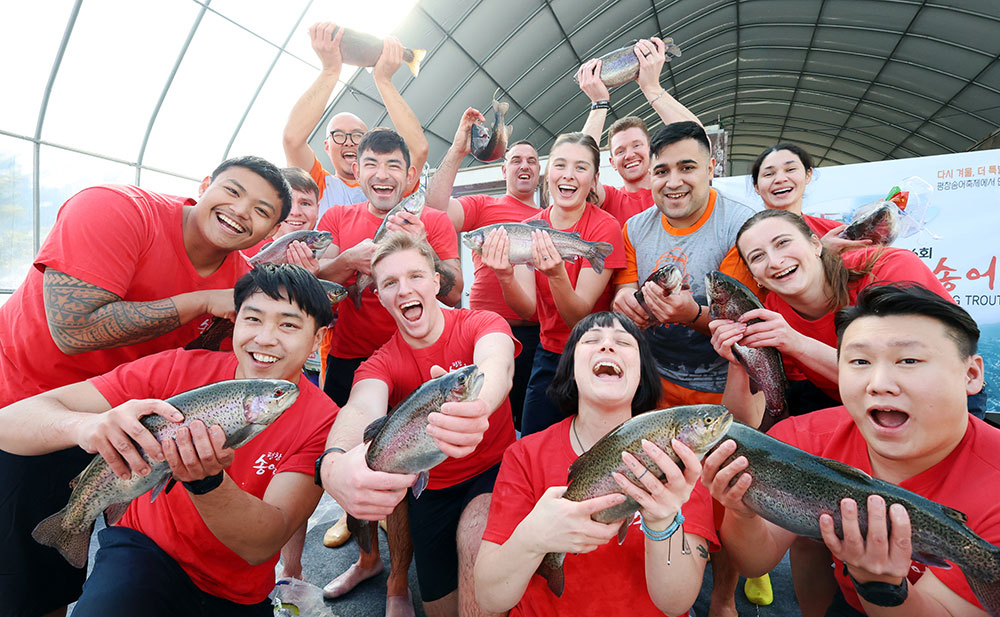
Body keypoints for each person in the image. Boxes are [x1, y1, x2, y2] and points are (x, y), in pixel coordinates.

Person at [0, 155, 291, 617]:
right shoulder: (113, 209)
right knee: (25, 583)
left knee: (73, 568)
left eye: (261, 211)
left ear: (272, 232)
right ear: (203, 184)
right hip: (33, 406)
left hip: (140, 426)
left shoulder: (243, 280)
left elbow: (208, 370)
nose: (240, 211)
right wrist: (200, 302)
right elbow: (72, 330)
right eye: (233, 192)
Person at [0, 264, 339, 617]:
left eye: (288, 324)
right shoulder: (175, 370)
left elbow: (263, 544)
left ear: (317, 338)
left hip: (238, 588)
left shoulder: (325, 421)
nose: (265, 338)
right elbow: (8, 422)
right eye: (253, 319)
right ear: (235, 322)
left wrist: (208, 482)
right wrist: (87, 427)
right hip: (140, 550)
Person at [703, 282, 999, 617]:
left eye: (909, 360)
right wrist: (744, 511)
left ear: (971, 374)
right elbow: (756, 562)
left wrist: (881, 585)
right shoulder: (802, 440)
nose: (879, 383)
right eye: (859, 361)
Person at [318, 232, 518, 617]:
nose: (404, 289)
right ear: (378, 295)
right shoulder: (380, 362)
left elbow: (497, 363)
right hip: (431, 489)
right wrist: (334, 464)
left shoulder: (481, 321)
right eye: (390, 282)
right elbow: (360, 409)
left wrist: (477, 407)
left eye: (415, 276)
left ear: (437, 281)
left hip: (492, 472)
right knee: (440, 606)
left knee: (475, 541)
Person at [607, 120, 758, 617]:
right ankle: (668, 585)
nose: (673, 181)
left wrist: (692, 315)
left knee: (727, 500)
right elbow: (624, 286)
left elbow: (740, 317)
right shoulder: (635, 227)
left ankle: (722, 598)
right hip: (658, 386)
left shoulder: (739, 223)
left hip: (722, 388)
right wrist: (628, 298)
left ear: (713, 167)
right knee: (663, 493)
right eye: (662, 170)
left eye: (688, 167)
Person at [475, 311, 718, 616]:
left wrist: (662, 522)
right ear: (571, 370)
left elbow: (675, 604)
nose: (607, 346)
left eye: (623, 342)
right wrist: (532, 538)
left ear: (642, 372)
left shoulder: (682, 465)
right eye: (591, 340)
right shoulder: (525, 455)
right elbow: (489, 597)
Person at [711, 208, 953, 425]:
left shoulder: (887, 269)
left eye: (783, 243)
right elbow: (745, 425)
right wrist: (739, 361)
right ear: (754, 277)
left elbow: (906, 377)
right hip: (851, 409)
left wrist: (796, 343)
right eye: (757, 257)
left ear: (816, 245)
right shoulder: (770, 313)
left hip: (941, 400)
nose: (775, 261)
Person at [480, 132, 626, 436]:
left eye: (581, 168)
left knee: (595, 444)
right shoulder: (529, 229)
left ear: (595, 178)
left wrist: (557, 274)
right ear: (548, 175)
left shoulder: (605, 227)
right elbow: (529, 308)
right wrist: (505, 275)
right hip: (549, 353)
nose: (568, 175)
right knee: (533, 438)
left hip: (597, 352)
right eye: (560, 165)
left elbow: (579, 319)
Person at [426, 107, 543, 432]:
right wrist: (458, 150)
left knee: (529, 420)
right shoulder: (483, 205)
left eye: (531, 161)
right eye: (517, 159)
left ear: (539, 172)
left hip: (537, 336)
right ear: (504, 168)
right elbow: (435, 209)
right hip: (485, 331)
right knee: (484, 416)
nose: (524, 165)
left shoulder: (550, 218)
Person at [282, 21, 428, 219]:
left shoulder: (390, 184)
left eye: (358, 135)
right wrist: (330, 71)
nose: (349, 141)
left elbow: (418, 149)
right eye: (339, 135)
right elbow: (292, 139)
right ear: (326, 146)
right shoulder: (317, 185)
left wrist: (383, 80)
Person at [576, 37, 701, 226]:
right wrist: (599, 104)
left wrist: (651, 88)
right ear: (612, 163)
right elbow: (578, 171)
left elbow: (698, 140)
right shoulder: (610, 199)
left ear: (651, 151)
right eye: (620, 151)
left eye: (637, 145)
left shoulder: (675, 188)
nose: (630, 155)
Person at [243, 167, 323, 269]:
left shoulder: (327, 254)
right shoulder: (243, 246)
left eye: (305, 203)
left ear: (317, 209)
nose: (295, 212)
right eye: (287, 203)